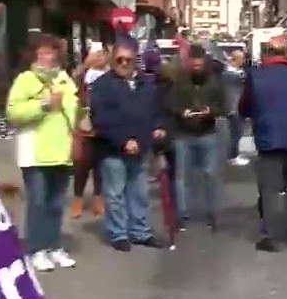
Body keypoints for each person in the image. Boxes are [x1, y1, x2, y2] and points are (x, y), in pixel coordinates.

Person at [6, 35, 81, 271]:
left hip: (61, 150)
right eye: (43, 52)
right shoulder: (25, 80)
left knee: (57, 203)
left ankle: (54, 247)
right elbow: (13, 112)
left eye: (52, 52)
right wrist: (43, 104)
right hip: (34, 153)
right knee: (38, 203)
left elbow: (73, 105)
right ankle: (36, 249)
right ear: (34, 55)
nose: (48, 57)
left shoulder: (63, 78)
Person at [89, 42, 166, 252]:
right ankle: (119, 234)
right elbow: (101, 118)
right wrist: (123, 140)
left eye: (128, 60)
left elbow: (155, 110)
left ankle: (140, 232)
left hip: (140, 148)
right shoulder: (102, 85)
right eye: (119, 60)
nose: (123, 64)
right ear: (113, 61)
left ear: (135, 61)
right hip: (113, 149)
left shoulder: (146, 83)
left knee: (139, 192)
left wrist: (158, 126)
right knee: (115, 194)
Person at [240, 36, 287, 252]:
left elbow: (245, 105)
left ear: (268, 52)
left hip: (268, 136)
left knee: (271, 189)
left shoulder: (256, 75)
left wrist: (251, 116)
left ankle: (272, 236)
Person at [165, 44, 226, 232]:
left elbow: (224, 107)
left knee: (210, 174)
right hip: (183, 134)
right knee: (181, 176)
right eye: (194, 65)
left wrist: (211, 111)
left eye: (200, 65)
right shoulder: (179, 80)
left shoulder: (215, 81)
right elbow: (170, 103)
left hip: (207, 133)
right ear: (189, 63)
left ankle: (213, 213)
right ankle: (182, 215)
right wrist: (181, 111)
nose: (197, 68)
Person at [71, 48, 108, 219]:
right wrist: (85, 66)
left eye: (102, 54)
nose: (99, 58)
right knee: (82, 165)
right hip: (84, 126)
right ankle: (77, 199)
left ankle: (98, 198)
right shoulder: (83, 74)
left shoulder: (110, 74)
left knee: (100, 165)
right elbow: (73, 87)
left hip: (103, 126)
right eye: (97, 54)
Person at [222, 49, 249, 165]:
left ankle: (233, 154)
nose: (243, 61)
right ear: (236, 59)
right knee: (235, 132)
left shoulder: (236, 73)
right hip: (234, 106)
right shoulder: (231, 75)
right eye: (242, 58)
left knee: (236, 132)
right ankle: (233, 156)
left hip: (236, 106)